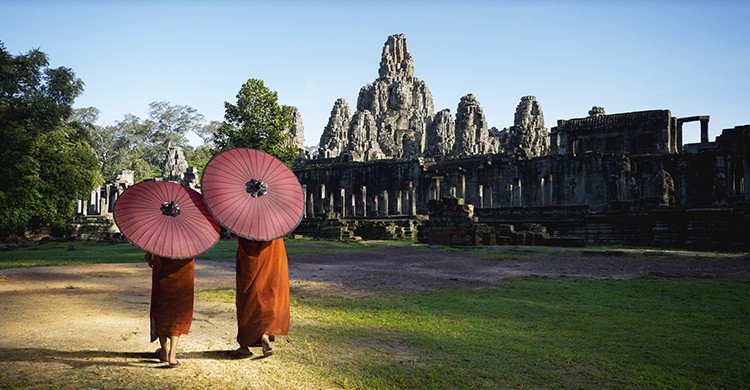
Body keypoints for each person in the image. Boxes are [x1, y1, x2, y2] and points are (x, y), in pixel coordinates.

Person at [233, 237, 290, 357]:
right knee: (269, 294)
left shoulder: (243, 219)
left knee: (248, 297)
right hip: (273, 253)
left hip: (249, 258)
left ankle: (244, 346)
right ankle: (265, 333)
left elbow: (232, 232)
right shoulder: (275, 222)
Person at [145, 252, 194, 367]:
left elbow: (150, 251)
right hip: (184, 275)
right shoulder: (188, 240)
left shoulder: (161, 235)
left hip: (164, 275)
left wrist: (148, 257)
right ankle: (172, 355)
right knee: (178, 311)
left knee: (163, 311)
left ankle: (164, 352)